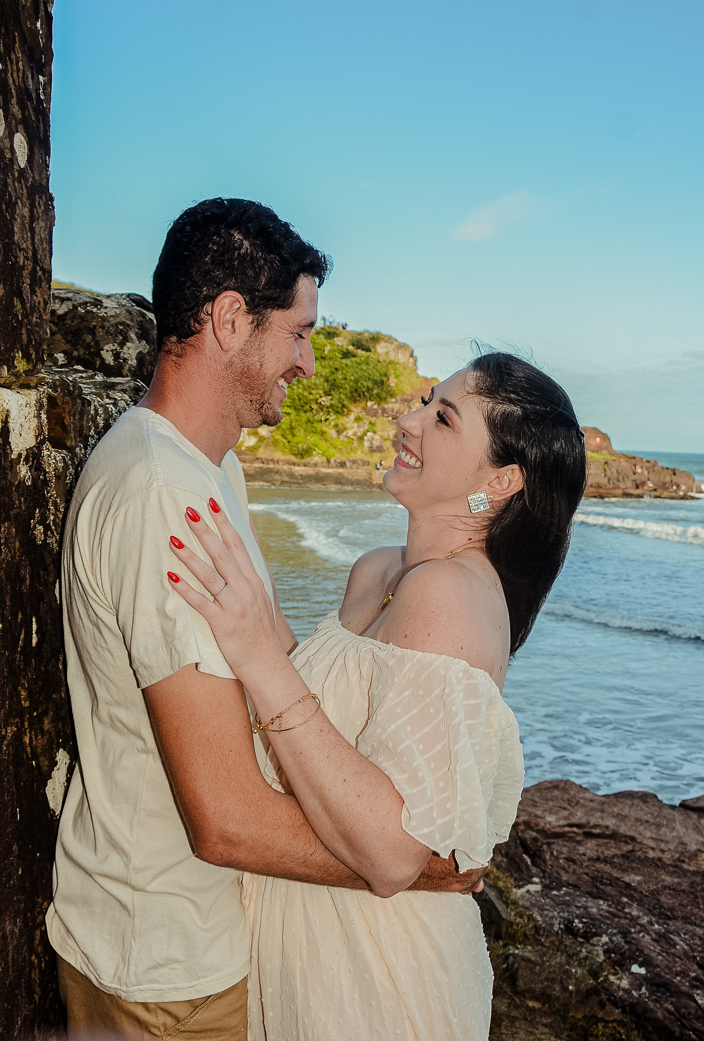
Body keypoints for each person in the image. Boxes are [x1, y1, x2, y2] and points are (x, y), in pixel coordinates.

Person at [46, 198, 483, 1041]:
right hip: (165, 966)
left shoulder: (214, 472)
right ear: (229, 320)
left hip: (195, 938)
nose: (310, 363)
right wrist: (405, 867)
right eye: (299, 332)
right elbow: (225, 817)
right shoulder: (158, 492)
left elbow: (275, 670)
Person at [168, 351, 588, 1040]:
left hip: (377, 975)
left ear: (500, 480)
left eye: (443, 418)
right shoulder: (379, 570)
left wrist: (253, 652)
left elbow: (393, 854)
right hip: (312, 943)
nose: (407, 420)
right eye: (426, 400)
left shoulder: (451, 596)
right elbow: (326, 714)